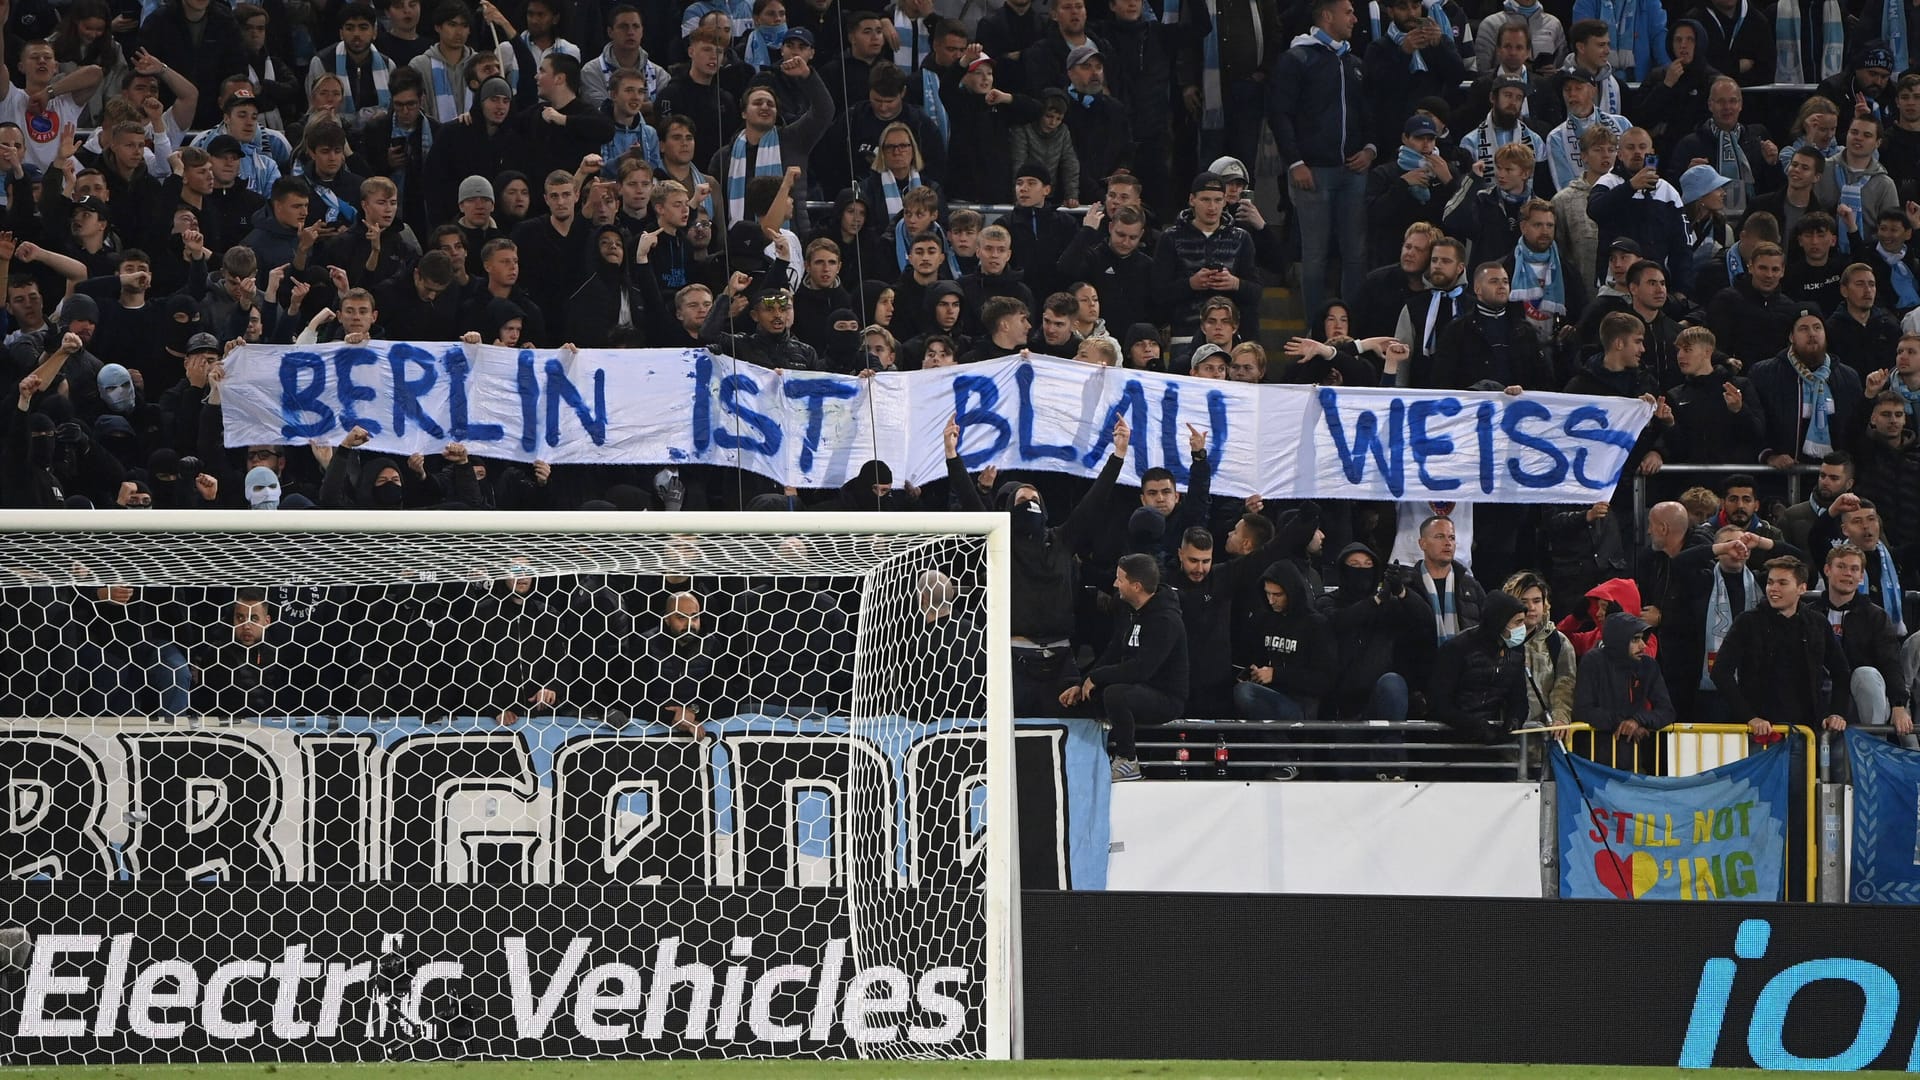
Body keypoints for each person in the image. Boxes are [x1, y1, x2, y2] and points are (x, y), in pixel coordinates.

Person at [1269, 0, 1374, 318]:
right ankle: (1316, 327)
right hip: (1312, 171)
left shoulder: (1353, 62)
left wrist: (1371, 147)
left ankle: (1350, 327)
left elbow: (1367, 111)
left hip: (1353, 170)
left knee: (1355, 254)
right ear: (1328, 16)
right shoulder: (1297, 59)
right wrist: (1295, 162)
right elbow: (1279, 114)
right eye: (1348, 12)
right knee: (1315, 255)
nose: (1355, 18)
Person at [1059, 552, 1186, 782]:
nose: (1115, 584)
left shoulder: (1166, 620)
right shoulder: (1128, 610)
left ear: (1136, 586)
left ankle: (1128, 760)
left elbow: (1142, 669)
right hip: (1136, 687)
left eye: (1120, 579)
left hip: (1166, 698)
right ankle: (1086, 757)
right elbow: (1113, 652)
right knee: (1081, 696)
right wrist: (1082, 682)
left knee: (1115, 694)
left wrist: (1097, 678)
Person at [1712, 555, 1851, 744]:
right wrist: (1749, 717)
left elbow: (1841, 671)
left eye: (1782, 583)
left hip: (1805, 734)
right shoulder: (1747, 621)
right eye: (1770, 582)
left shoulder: (1816, 623)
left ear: (1801, 588)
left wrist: (1837, 713)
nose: (1773, 589)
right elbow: (1720, 672)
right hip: (1758, 735)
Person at [1810, 542, 1914, 737]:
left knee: (1866, 674)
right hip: (1820, 697)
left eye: (1854, 569)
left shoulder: (1875, 616)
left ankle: (1872, 746)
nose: (1847, 573)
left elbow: (1890, 662)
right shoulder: (1809, 615)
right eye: (1841, 566)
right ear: (1827, 570)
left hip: (1861, 696)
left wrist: (1899, 705)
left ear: (1860, 577)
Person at [1750, 304, 1865, 467]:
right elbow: (1754, 427)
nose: (1812, 334)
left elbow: (1856, 430)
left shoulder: (1848, 377)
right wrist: (1769, 456)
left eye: (1817, 327)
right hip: (1781, 479)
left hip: (1833, 479)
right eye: (1803, 328)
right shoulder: (1763, 375)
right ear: (1791, 336)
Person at [1233, 560, 1335, 724]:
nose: (1271, 600)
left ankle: (1283, 748)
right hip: (1270, 694)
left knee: (1245, 693)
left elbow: (1324, 680)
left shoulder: (1316, 624)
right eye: (1267, 594)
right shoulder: (1264, 620)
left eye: (1277, 595)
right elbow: (1257, 658)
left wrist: (1276, 674)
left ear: (1291, 592)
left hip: (1301, 704)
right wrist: (1252, 672)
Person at [1573, 610, 1674, 770]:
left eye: (1642, 638)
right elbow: (1582, 709)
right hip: (1592, 760)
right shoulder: (1593, 661)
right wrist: (1622, 723)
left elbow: (1667, 711)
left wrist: (1638, 720)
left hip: (1632, 760)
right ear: (1618, 640)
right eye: (1635, 639)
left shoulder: (1648, 665)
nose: (1643, 645)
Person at [1428, 589, 1531, 745]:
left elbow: (1519, 699)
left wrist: (1514, 722)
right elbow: (1439, 703)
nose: (1522, 627)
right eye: (1518, 622)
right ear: (1500, 622)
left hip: (1490, 744)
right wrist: (1475, 727)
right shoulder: (1457, 649)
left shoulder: (1516, 651)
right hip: (1448, 742)